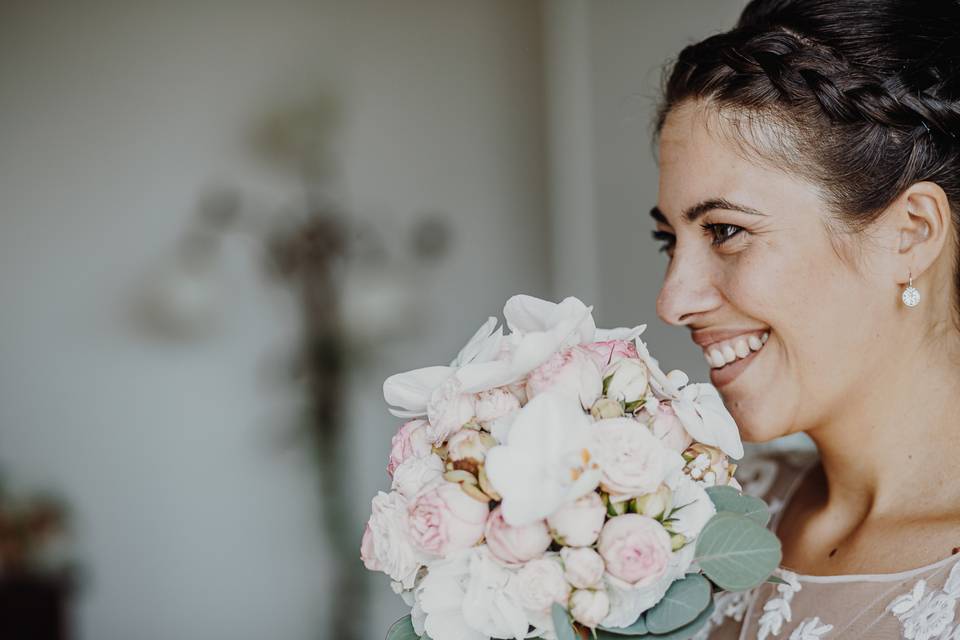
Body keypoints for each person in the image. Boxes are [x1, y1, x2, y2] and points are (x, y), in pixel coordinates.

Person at [650, 0, 960, 637]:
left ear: (910, 233)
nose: (672, 301)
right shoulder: (691, 512)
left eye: (726, 231)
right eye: (669, 242)